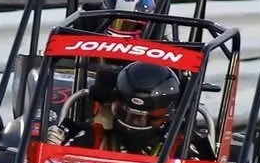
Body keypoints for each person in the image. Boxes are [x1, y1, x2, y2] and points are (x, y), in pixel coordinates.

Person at [50, 62, 182, 155]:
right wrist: (54, 144)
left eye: (142, 119)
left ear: (165, 116)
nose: (135, 123)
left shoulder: (181, 148)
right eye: (127, 115)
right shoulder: (90, 137)